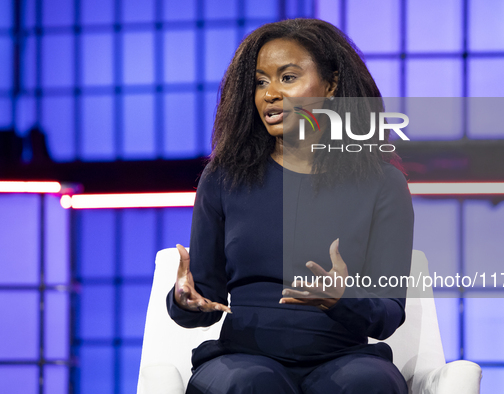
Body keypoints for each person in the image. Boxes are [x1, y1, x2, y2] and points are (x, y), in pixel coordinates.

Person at [166, 18, 414, 394]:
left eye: (287, 77)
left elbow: (389, 313)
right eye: (260, 82)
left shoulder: (383, 183)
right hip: (242, 358)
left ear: (331, 85)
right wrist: (185, 301)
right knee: (250, 385)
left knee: (368, 384)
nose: (270, 94)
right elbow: (206, 295)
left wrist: (341, 300)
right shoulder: (223, 177)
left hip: (344, 359)